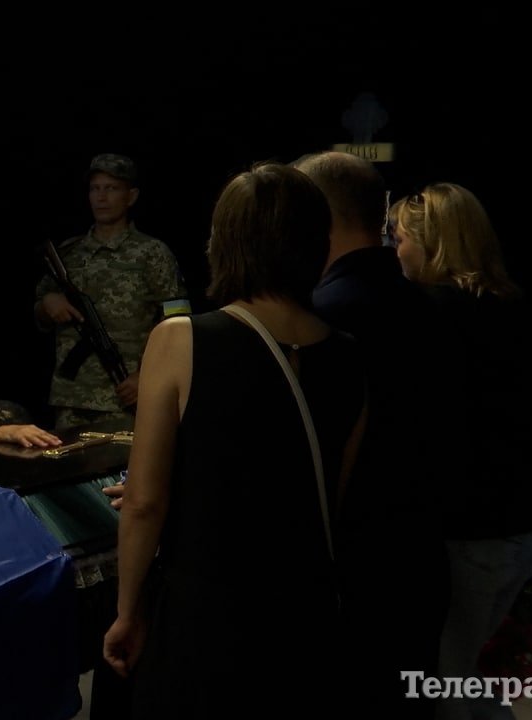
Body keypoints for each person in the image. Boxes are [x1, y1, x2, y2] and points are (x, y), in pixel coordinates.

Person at [103, 163, 367, 715]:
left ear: (226, 242)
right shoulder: (351, 356)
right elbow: (335, 498)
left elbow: (145, 501)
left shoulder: (181, 339)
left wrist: (128, 611)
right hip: (307, 613)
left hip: (206, 612)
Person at [388, 183, 532, 720]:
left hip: (475, 529)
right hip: (526, 524)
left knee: (446, 684)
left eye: (401, 239)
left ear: (431, 242)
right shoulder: (511, 304)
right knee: (465, 677)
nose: (396, 253)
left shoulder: (433, 313)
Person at [295, 151, 451, 717]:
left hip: (350, 570)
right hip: (422, 558)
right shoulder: (431, 306)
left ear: (315, 217)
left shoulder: (321, 319)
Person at [34, 153, 188, 431]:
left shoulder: (152, 253)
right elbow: (39, 311)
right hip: (72, 399)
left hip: (127, 396)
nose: (101, 197)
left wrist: (147, 376)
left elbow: (178, 323)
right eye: (95, 188)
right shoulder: (69, 253)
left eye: (111, 188)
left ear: (131, 196)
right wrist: (48, 303)